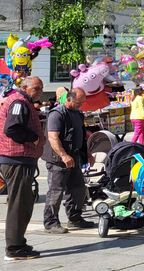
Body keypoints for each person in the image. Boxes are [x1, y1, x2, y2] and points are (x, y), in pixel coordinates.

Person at [1, 76, 44, 260]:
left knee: (23, 203)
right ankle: (14, 248)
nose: (40, 91)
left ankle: (19, 242)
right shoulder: (19, 102)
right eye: (36, 88)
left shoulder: (23, 101)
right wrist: (33, 138)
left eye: (41, 88)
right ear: (25, 87)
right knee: (19, 205)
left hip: (20, 159)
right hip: (16, 159)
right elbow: (12, 128)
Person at [43, 88, 95, 233]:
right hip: (58, 160)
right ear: (69, 99)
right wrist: (63, 155)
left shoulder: (78, 113)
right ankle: (51, 222)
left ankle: (75, 217)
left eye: (83, 102)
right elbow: (53, 137)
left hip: (75, 157)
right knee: (56, 191)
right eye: (79, 102)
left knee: (78, 188)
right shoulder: (57, 114)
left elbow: (81, 136)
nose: (81, 105)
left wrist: (87, 153)